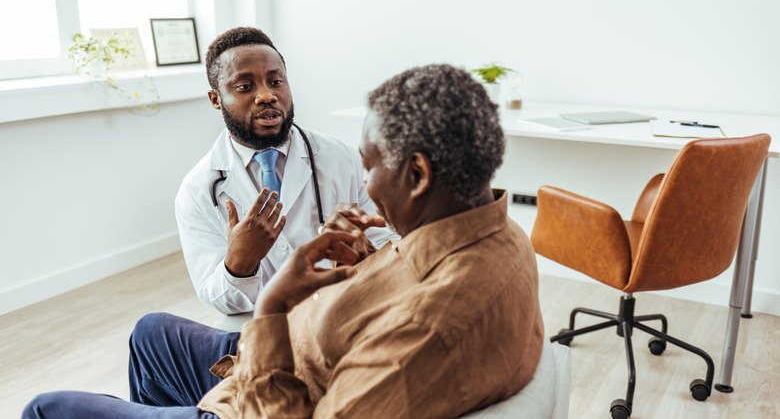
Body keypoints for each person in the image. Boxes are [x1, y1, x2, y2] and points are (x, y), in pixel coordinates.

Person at [23, 64, 545, 419]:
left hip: (273, 388)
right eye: (246, 85)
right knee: (150, 330)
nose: (364, 187)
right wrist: (363, 259)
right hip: (302, 350)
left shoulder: (426, 334)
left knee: (46, 408)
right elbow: (406, 280)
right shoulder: (496, 229)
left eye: (370, 169)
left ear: (417, 174)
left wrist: (274, 306)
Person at [175, 26, 395, 315]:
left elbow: (393, 251)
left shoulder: (344, 157)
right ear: (216, 99)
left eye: (276, 81)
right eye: (245, 87)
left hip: (344, 313)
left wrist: (363, 250)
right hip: (263, 325)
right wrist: (240, 262)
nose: (267, 95)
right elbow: (216, 298)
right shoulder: (197, 189)